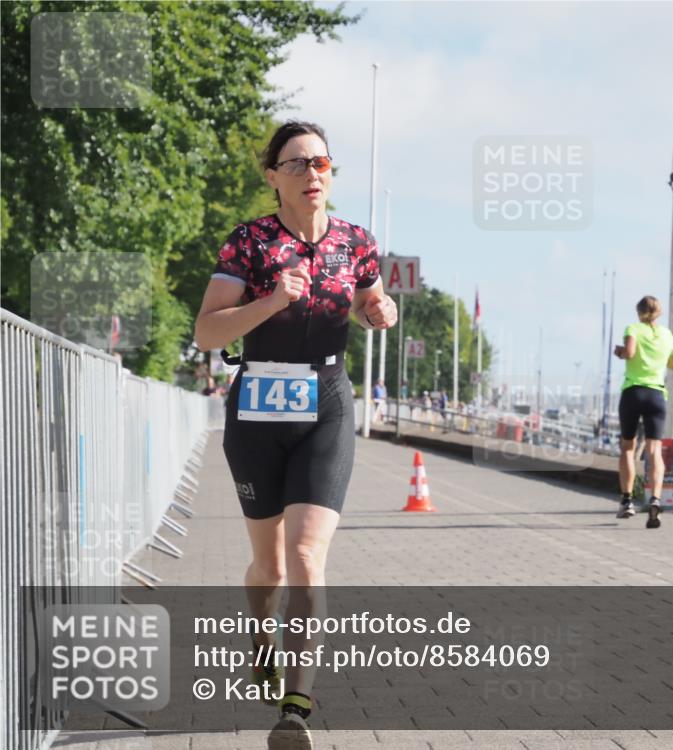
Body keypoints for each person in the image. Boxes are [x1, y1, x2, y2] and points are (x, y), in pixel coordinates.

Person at [193, 121, 397, 750]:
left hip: (327, 403)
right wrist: (269, 303)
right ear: (273, 175)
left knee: (308, 557)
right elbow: (207, 333)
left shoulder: (355, 242)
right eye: (298, 163)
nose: (313, 173)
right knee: (270, 564)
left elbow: (374, 301)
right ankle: (260, 638)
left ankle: (296, 707)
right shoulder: (249, 244)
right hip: (257, 406)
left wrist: (383, 311)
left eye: (323, 163)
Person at [613, 295, 673, 529]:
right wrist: (656, 359)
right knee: (654, 452)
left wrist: (620, 351)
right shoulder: (668, 335)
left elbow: (630, 353)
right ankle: (655, 499)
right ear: (658, 313)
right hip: (656, 395)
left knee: (628, 448)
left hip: (633, 392)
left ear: (639, 312)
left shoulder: (634, 328)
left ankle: (627, 501)